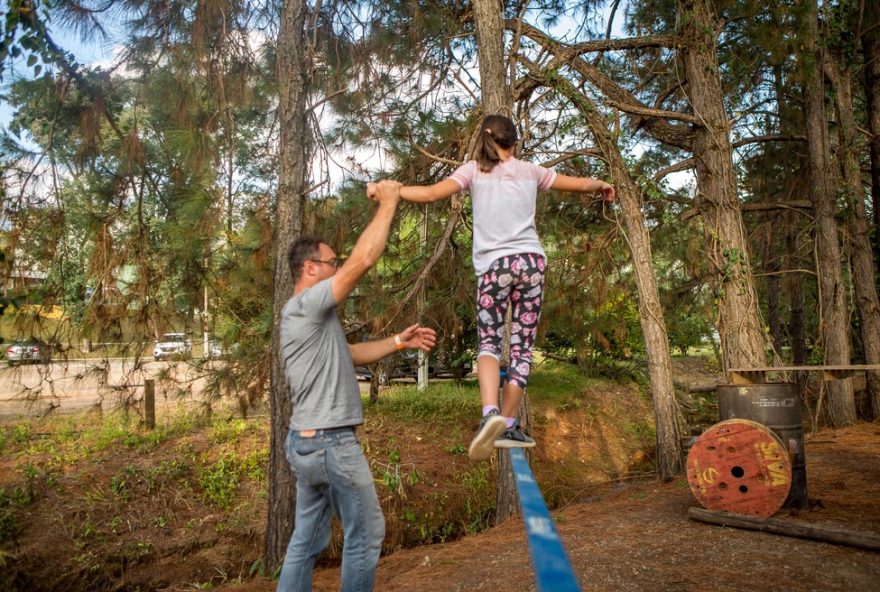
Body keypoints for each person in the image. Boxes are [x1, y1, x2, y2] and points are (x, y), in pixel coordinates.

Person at [370, 114, 615, 462]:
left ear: (483, 139)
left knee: (488, 343)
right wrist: (601, 184)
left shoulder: (473, 171)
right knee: (522, 349)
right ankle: (510, 424)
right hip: (531, 263)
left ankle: (489, 414)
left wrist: (389, 190)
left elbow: (429, 193)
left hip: (494, 267)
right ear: (514, 141)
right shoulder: (531, 171)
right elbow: (577, 184)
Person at [277, 179, 437, 592]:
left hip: (306, 442)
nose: (338, 265)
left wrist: (400, 341)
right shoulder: (308, 304)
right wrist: (388, 203)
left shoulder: (309, 318)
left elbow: (349, 355)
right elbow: (363, 260)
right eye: (332, 262)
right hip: (331, 443)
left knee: (307, 539)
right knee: (366, 533)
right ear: (310, 268)